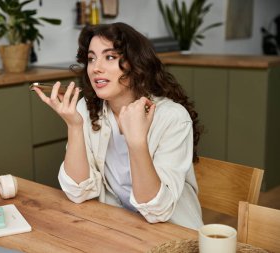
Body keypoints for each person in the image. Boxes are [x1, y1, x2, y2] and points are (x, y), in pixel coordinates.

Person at [32, 22, 203, 229]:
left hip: (173, 236)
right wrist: (74, 126)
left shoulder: (172, 118)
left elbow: (157, 211)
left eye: (110, 57)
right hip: (119, 229)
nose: (96, 68)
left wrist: (137, 142)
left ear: (136, 64)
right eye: (91, 58)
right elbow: (77, 193)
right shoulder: (87, 110)